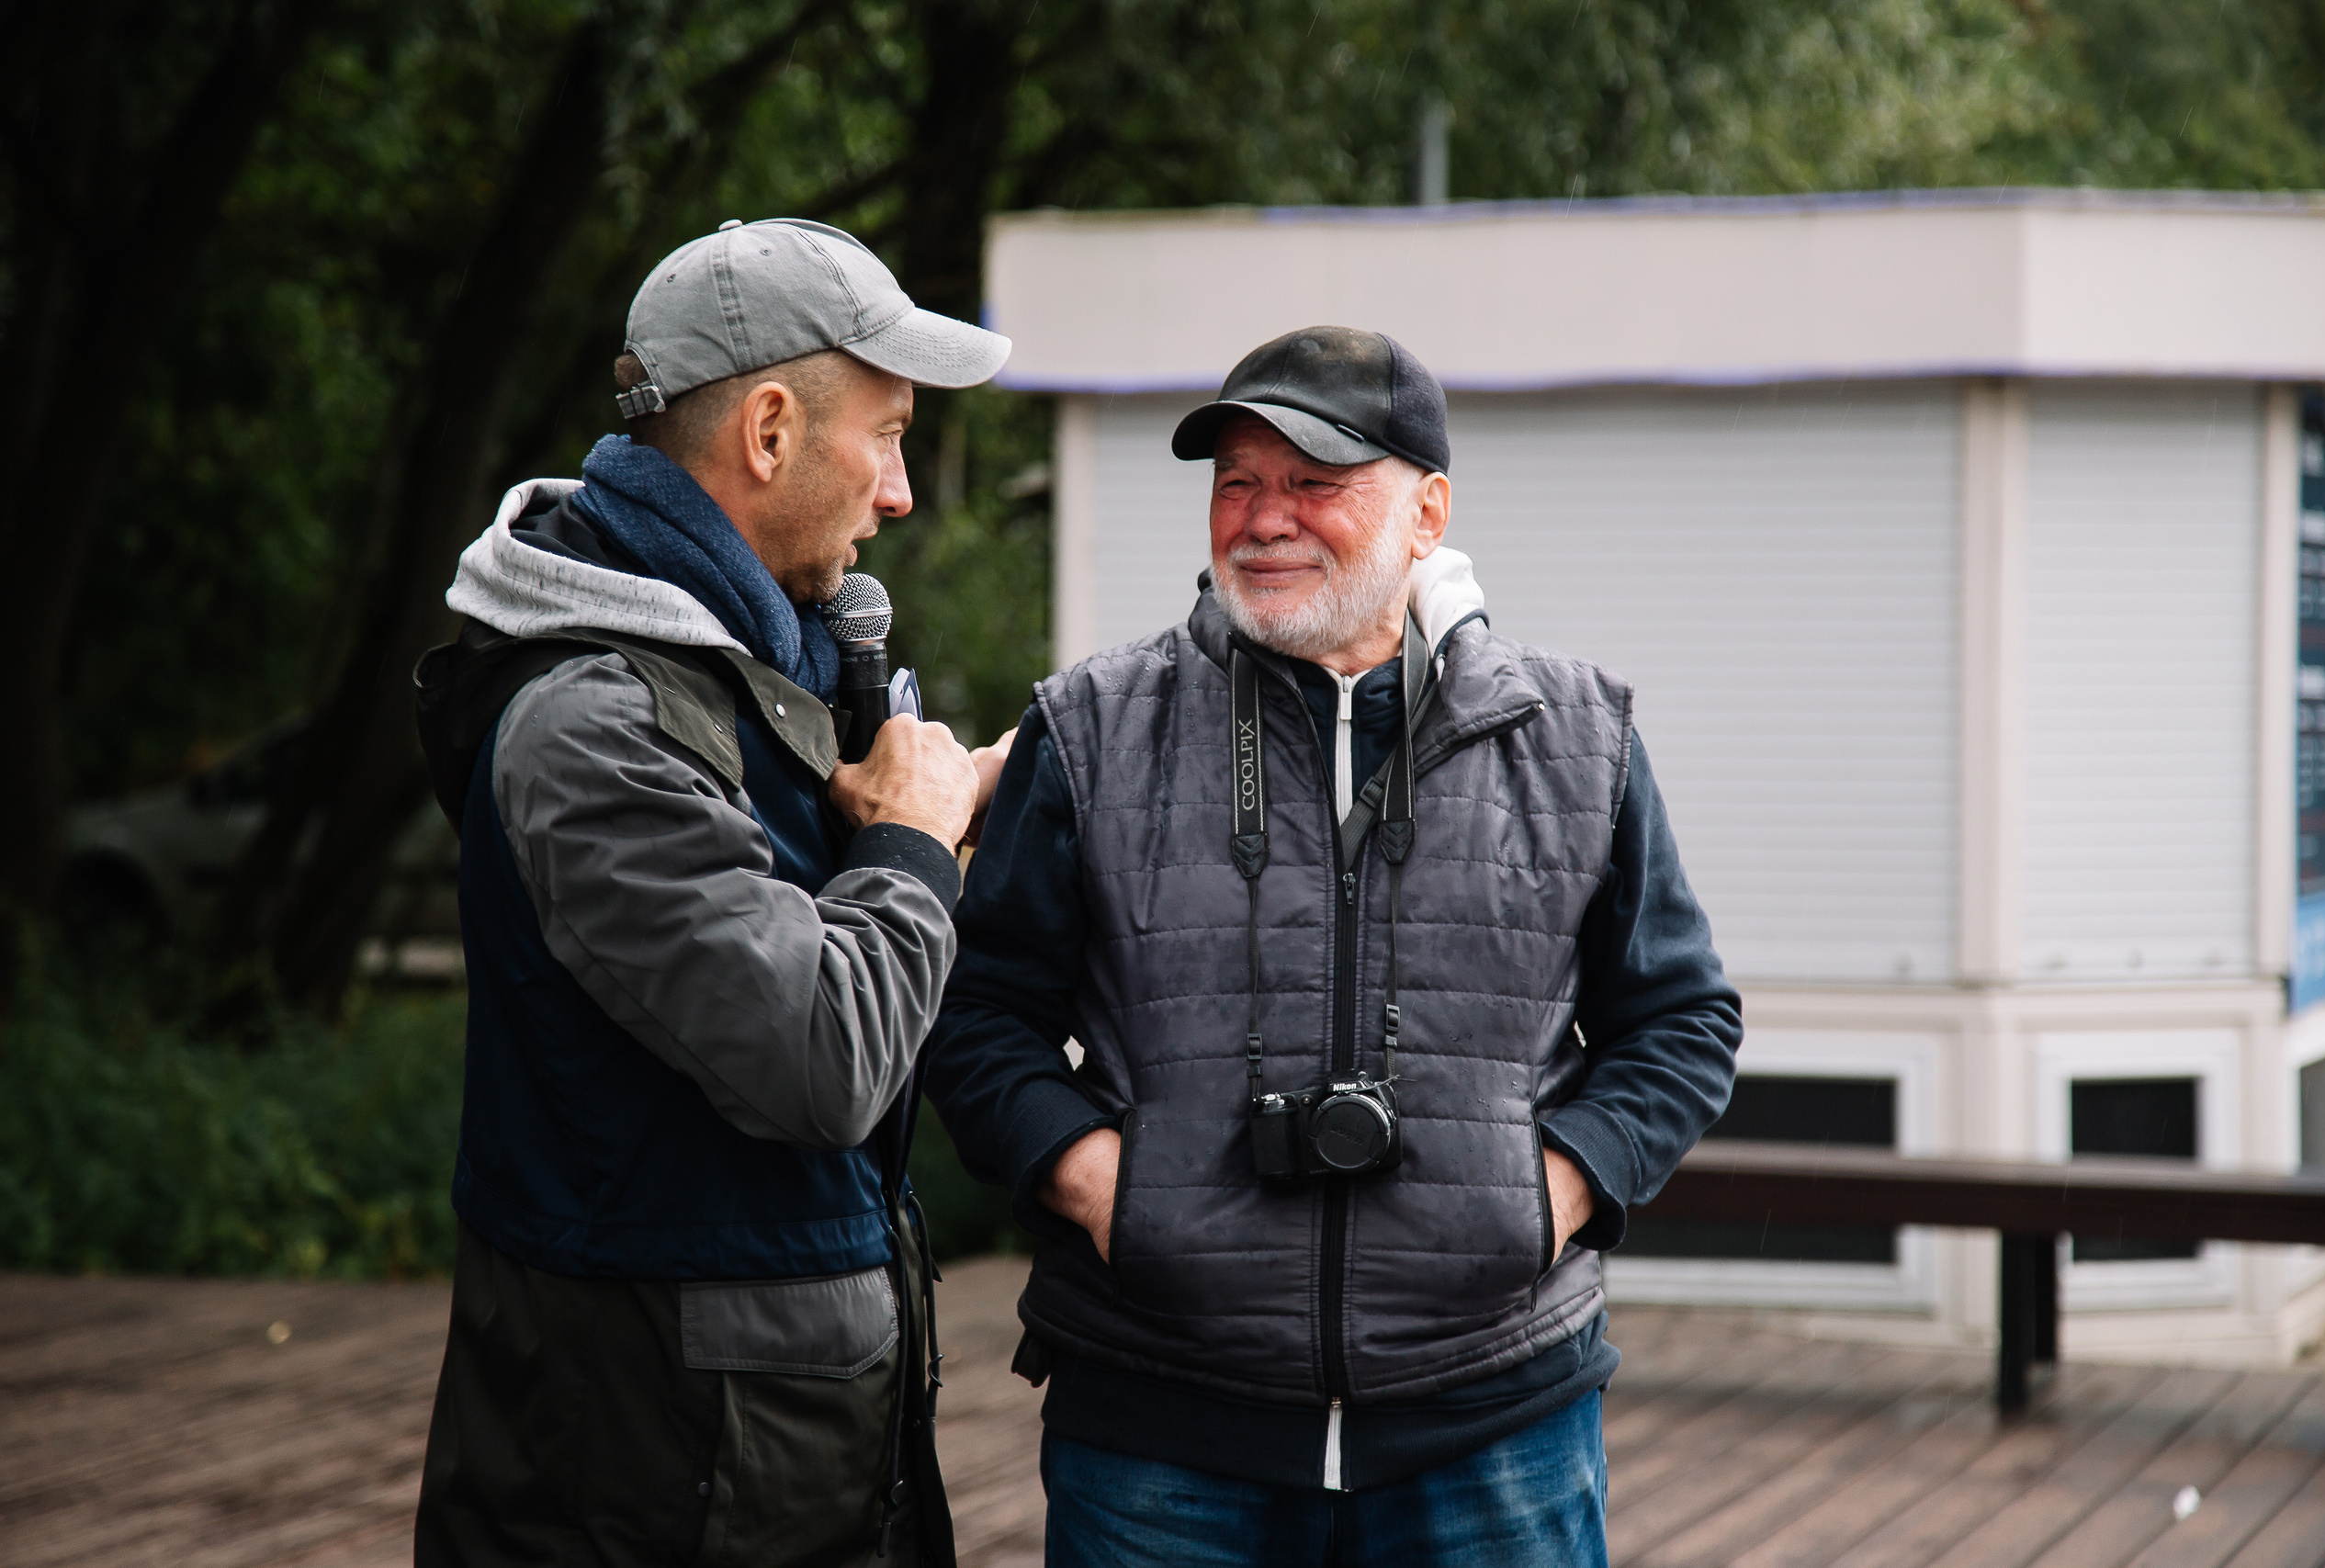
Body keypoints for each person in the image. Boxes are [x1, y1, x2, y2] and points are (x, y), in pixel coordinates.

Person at [926, 326, 1744, 1565]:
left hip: (1492, 1429)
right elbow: (980, 1016)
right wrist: (1107, 1190)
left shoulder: (1578, 736)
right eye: (1238, 482)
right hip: (1158, 1434)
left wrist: (1550, 1194)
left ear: (1428, 512)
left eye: (1316, 483)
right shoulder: (1090, 726)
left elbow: (1681, 1023)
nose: (1266, 519)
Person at [410, 218, 1009, 1568]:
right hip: (652, 1499)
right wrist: (915, 842)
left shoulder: (742, 671)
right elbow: (821, 1057)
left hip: (758, 1479)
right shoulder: (593, 724)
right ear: (772, 430)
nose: (901, 494)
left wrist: (942, 811)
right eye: (891, 435)